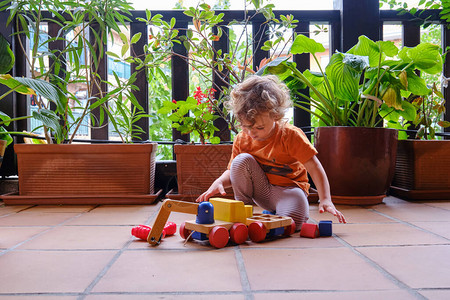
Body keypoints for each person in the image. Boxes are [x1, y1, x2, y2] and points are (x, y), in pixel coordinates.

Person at [196, 75, 346, 230]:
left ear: (275, 115)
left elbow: (314, 167)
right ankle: (243, 210)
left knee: (291, 224)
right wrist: (219, 181)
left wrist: (326, 199)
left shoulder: (290, 135)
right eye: (245, 126)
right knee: (241, 160)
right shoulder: (242, 139)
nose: (251, 133)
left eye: (259, 128)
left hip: (290, 190)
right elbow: (233, 171)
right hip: (262, 191)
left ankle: (278, 213)